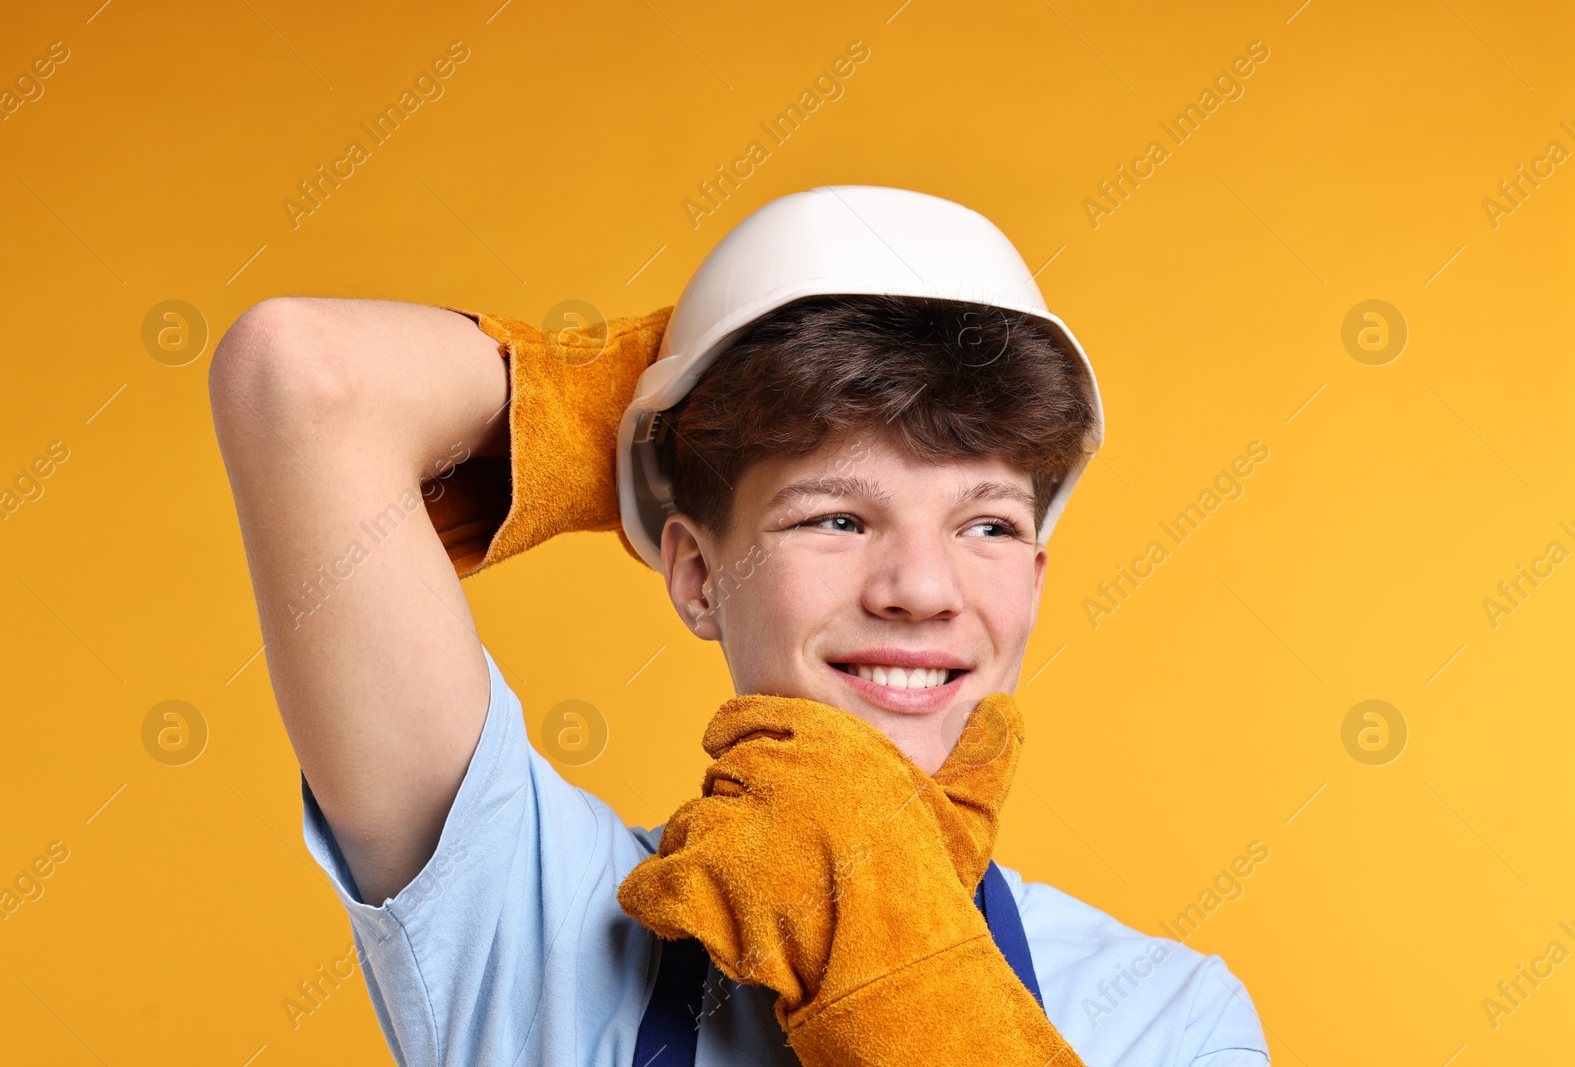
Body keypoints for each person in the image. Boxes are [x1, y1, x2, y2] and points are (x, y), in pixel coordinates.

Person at [209, 186, 1269, 1065]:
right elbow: (304, 378)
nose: (921, 587)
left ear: (1033, 582)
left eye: (985, 524)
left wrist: (904, 967)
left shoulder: (1163, 1017)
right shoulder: (533, 925)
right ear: (698, 571)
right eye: (838, 515)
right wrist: (637, 418)